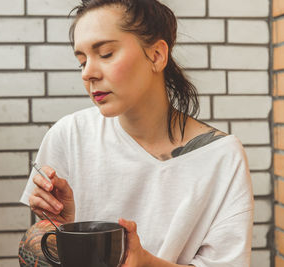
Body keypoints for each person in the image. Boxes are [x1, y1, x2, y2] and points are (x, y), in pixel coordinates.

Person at [19, 0, 254, 266]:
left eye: (106, 54)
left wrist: (146, 263)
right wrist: (66, 226)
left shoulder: (221, 156)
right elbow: (39, 248)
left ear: (156, 55)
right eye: (81, 61)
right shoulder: (69, 136)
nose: (88, 73)